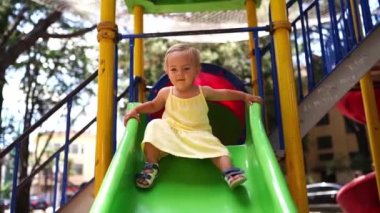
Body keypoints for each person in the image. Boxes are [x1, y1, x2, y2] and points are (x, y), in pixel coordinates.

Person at [123, 43, 263, 189]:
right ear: (167, 72)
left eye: (186, 68)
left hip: (199, 134)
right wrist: (136, 110)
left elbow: (224, 93)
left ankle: (229, 173)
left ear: (197, 70)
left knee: (220, 150)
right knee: (154, 126)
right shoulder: (166, 92)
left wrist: (244, 96)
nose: (179, 73)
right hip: (172, 132)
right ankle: (151, 166)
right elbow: (153, 105)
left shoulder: (203, 91)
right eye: (174, 69)